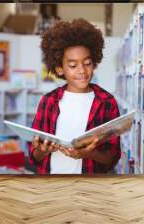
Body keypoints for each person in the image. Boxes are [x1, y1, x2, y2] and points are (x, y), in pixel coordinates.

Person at [29, 18, 121, 174]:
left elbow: (112, 158)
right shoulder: (48, 101)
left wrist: (90, 154)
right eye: (73, 65)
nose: (82, 71)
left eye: (87, 63)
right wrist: (43, 150)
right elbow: (34, 157)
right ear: (59, 69)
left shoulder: (107, 102)